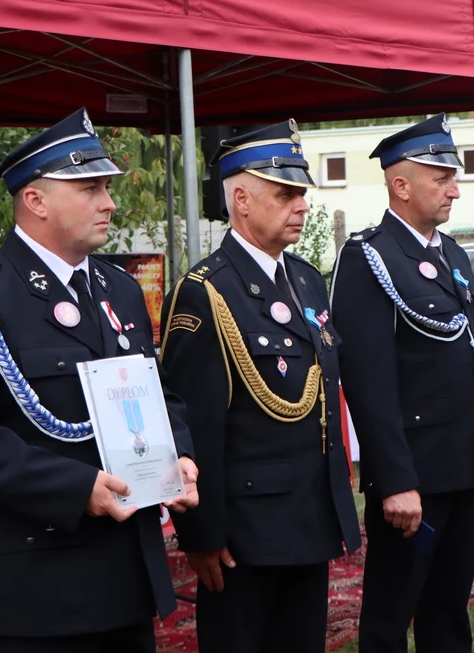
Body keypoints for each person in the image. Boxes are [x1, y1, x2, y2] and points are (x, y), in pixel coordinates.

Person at [0, 107, 199, 653]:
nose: (109, 203)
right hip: (33, 590)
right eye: (89, 188)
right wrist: (73, 488)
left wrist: (175, 453)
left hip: (124, 579)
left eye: (106, 188)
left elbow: (158, 393)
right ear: (36, 201)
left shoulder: (121, 290)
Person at [158, 119, 361, 653]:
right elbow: (193, 419)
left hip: (308, 517)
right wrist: (201, 536)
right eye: (286, 193)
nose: (302, 205)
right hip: (245, 532)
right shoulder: (205, 290)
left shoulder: (306, 279)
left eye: (302, 193)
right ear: (242, 200)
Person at [330, 113, 474, 653]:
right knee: (392, 613)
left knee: (447, 607)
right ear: (400, 184)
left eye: (452, 178)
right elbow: (368, 381)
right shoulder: (369, 257)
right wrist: (393, 479)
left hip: (463, 465)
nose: (454, 191)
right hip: (414, 472)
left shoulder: (454, 256)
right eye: (441, 179)